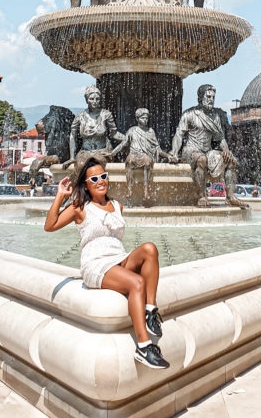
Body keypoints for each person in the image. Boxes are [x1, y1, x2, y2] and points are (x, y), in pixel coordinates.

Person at [44, 158, 169, 370]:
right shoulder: (79, 207)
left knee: (150, 249)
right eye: (94, 178)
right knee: (137, 283)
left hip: (119, 259)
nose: (101, 181)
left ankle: (150, 310)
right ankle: (144, 346)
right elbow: (50, 226)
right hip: (96, 264)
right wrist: (60, 196)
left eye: (103, 176)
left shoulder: (117, 206)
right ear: (86, 184)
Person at [172, 84, 240, 207]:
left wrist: (226, 151)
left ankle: (230, 197)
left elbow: (220, 138)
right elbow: (179, 134)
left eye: (213, 97)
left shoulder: (215, 117)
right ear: (200, 97)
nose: (211, 100)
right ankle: (201, 196)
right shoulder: (190, 114)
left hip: (207, 151)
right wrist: (174, 152)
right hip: (191, 150)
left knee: (231, 161)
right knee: (201, 159)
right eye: (208, 96)